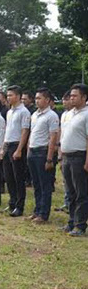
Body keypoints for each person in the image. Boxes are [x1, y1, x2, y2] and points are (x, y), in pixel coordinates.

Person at [26, 88, 59, 224]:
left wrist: (49, 158)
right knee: (36, 184)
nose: (36, 100)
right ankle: (37, 210)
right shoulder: (34, 115)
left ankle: (44, 214)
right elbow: (32, 133)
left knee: (45, 184)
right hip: (33, 151)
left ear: (47, 100)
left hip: (43, 152)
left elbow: (53, 138)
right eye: (36, 98)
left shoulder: (51, 116)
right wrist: (28, 149)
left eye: (39, 98)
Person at [59, 84, 88, 237]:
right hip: (67, 157)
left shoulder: (86, 114)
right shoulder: (70, 114)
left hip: (79, 156)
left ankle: (80, 225)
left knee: (80, 192)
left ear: (84, 97)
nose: (71, 98)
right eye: (71, 95)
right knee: (70, 192)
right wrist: (61, 155)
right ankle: (71, 221)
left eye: (75, 96)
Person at [1, 85, 31, 217]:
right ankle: (12, 202)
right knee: (8, 177)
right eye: (7, 95)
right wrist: (3, 147)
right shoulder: (9, 112)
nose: (8, 98)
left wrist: (19, 149)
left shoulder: (24, 112)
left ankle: (20, 206)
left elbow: (25, 131)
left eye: (11, 95)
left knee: (18, 178)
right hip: (8, 145)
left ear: (18, 96)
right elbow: (8, 130)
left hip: (17, 145)